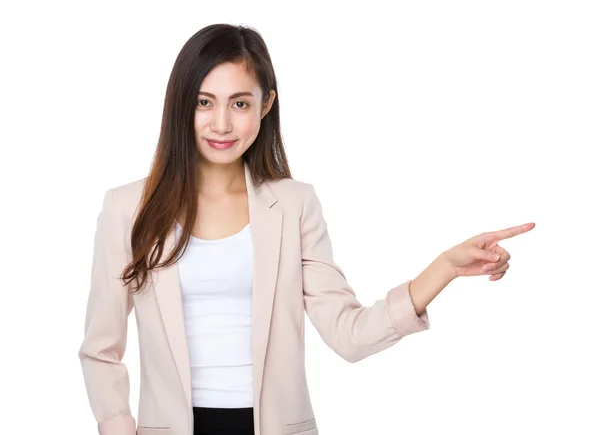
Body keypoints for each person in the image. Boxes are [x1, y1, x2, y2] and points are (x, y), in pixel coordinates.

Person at [78, 23, 535, 435]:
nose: (221, 124)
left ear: (266, 105)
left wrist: (445, 269)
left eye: (240, 103)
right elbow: (101, 348)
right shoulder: (128, 208)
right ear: (180, 104)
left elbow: (349, 334)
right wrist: (117, 428)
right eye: (203, 102)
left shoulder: (294, 205)